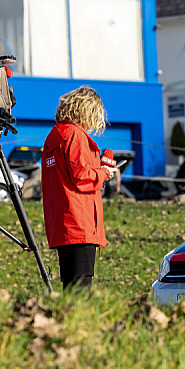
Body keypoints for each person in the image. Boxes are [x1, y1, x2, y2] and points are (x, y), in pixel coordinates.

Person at [41, 86, 118, 291]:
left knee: (70, 287)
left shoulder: (55, 136)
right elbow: (82, 177)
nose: (95, 123)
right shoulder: (75, 135)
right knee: (82, 290)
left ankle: (68, 321)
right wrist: (104, 173)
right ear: (86, 111)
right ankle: (79, 323)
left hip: (62, 223)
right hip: (80, 223)